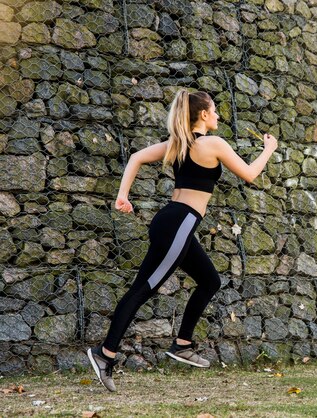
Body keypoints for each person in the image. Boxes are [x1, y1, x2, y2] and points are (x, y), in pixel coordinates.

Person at [87, 89, 278, 392]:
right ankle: (105, 354)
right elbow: (250, 174)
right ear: (203, 114)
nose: (217, 115)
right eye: (214, 111)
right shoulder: (212, 143)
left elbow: (136, 157)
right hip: (179, 223)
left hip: (174, 222)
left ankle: (182, 343)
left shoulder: (178, 144)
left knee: (210, 281)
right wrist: (269, 148)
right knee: (143, 289)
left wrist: (123, 195)